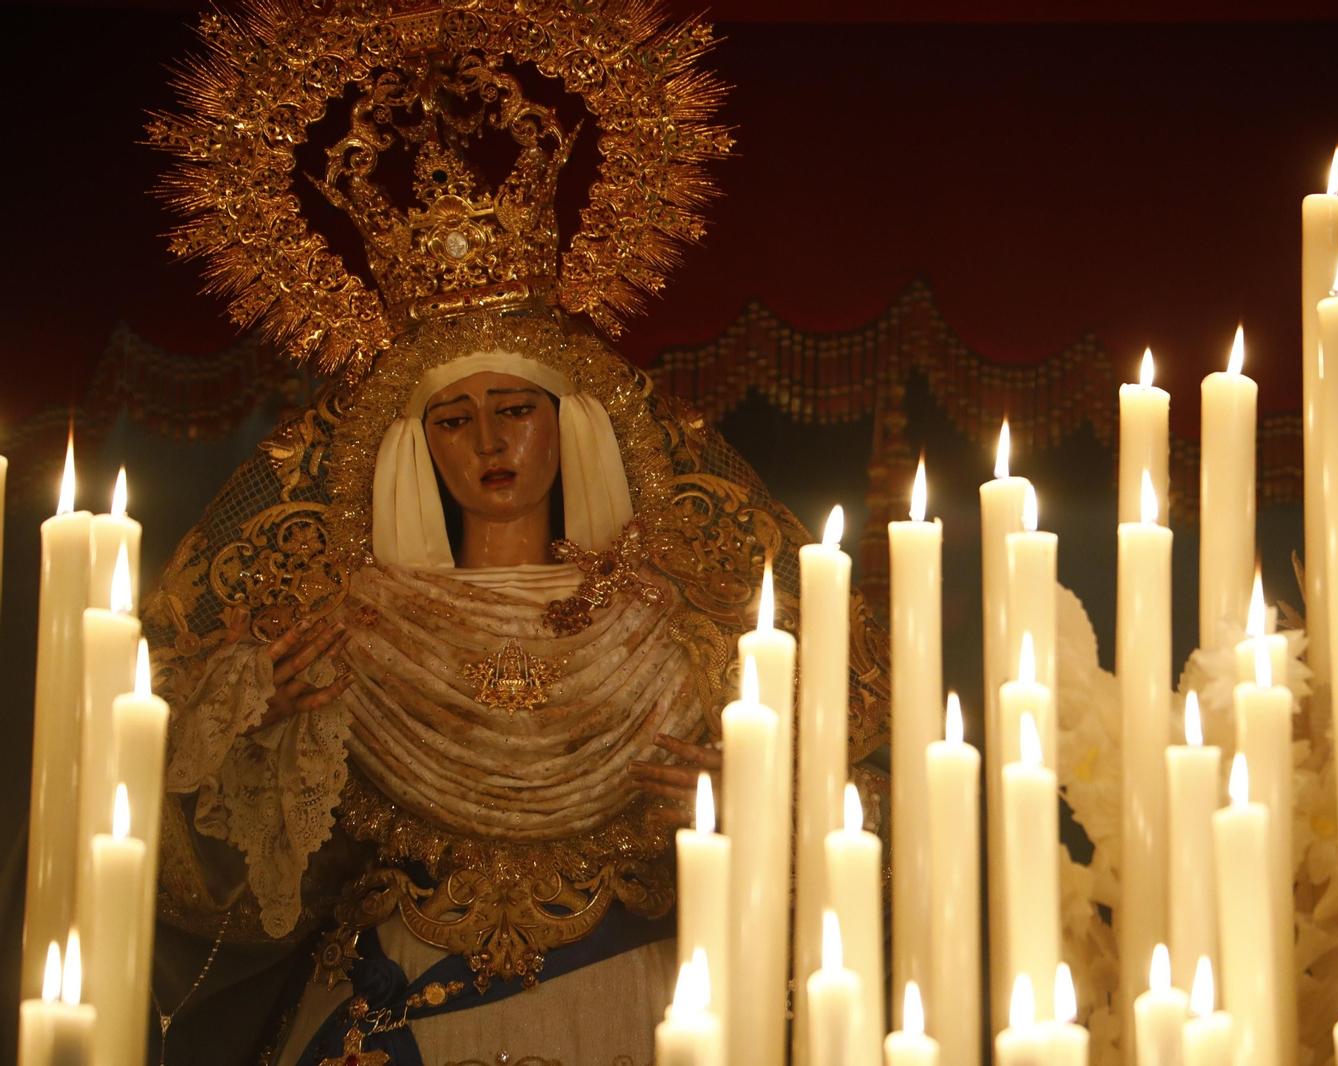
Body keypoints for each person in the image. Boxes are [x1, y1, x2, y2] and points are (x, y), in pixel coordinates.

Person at [141, 3, 891, 1063]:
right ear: (418, 448)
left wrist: (752, 796)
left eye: (516, 410)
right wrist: (261, 729)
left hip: (633, 994)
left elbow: (859, 799)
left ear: (568, 425)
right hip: (400, 990)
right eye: (452, 418)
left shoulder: (668, 622)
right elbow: (221, 867)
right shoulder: (353, 629)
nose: (487, 439)